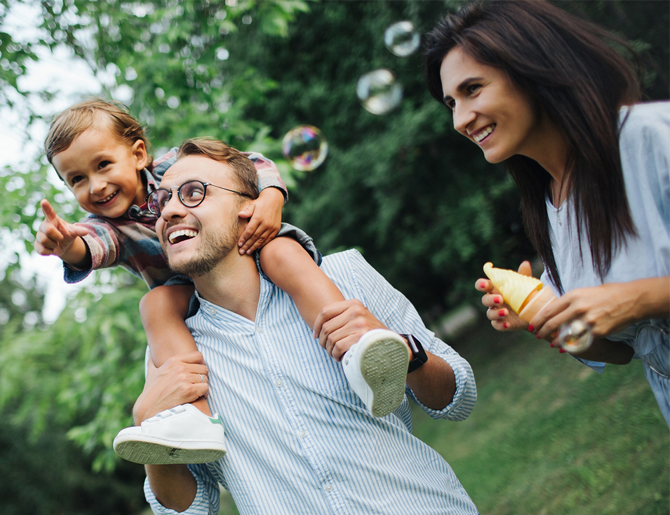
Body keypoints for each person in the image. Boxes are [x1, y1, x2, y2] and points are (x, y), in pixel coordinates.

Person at [35, 99, 415, 464]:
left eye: (103, 164)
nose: (96, 186)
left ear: (137, 154)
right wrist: (67, 246)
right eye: (77, 179)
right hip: (196, 295)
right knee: (154, 304)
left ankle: (360, 352)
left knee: (280, 252)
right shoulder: (106, 227)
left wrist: (270, 197)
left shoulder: (176, 166)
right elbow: (90, 247)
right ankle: (197, 420)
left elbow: (250, 163)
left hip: (247, 253)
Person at [135, 138, 479, 514]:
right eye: (162, 200)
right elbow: (192, 509)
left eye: (193, 193)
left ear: (249, 207)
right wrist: (150, 429)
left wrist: (403, 350)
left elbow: (458, 398)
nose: (168, 211)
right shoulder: (170, 351)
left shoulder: (343, 276)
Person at [424, 0, 670, 424]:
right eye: (450, 103)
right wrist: (548, 320)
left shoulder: (647, 137)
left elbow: (626, 307)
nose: (460, 120)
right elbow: (624, 350)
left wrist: (630, 300)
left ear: (530, 69)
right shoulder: (550, 206)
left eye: (472, 89)